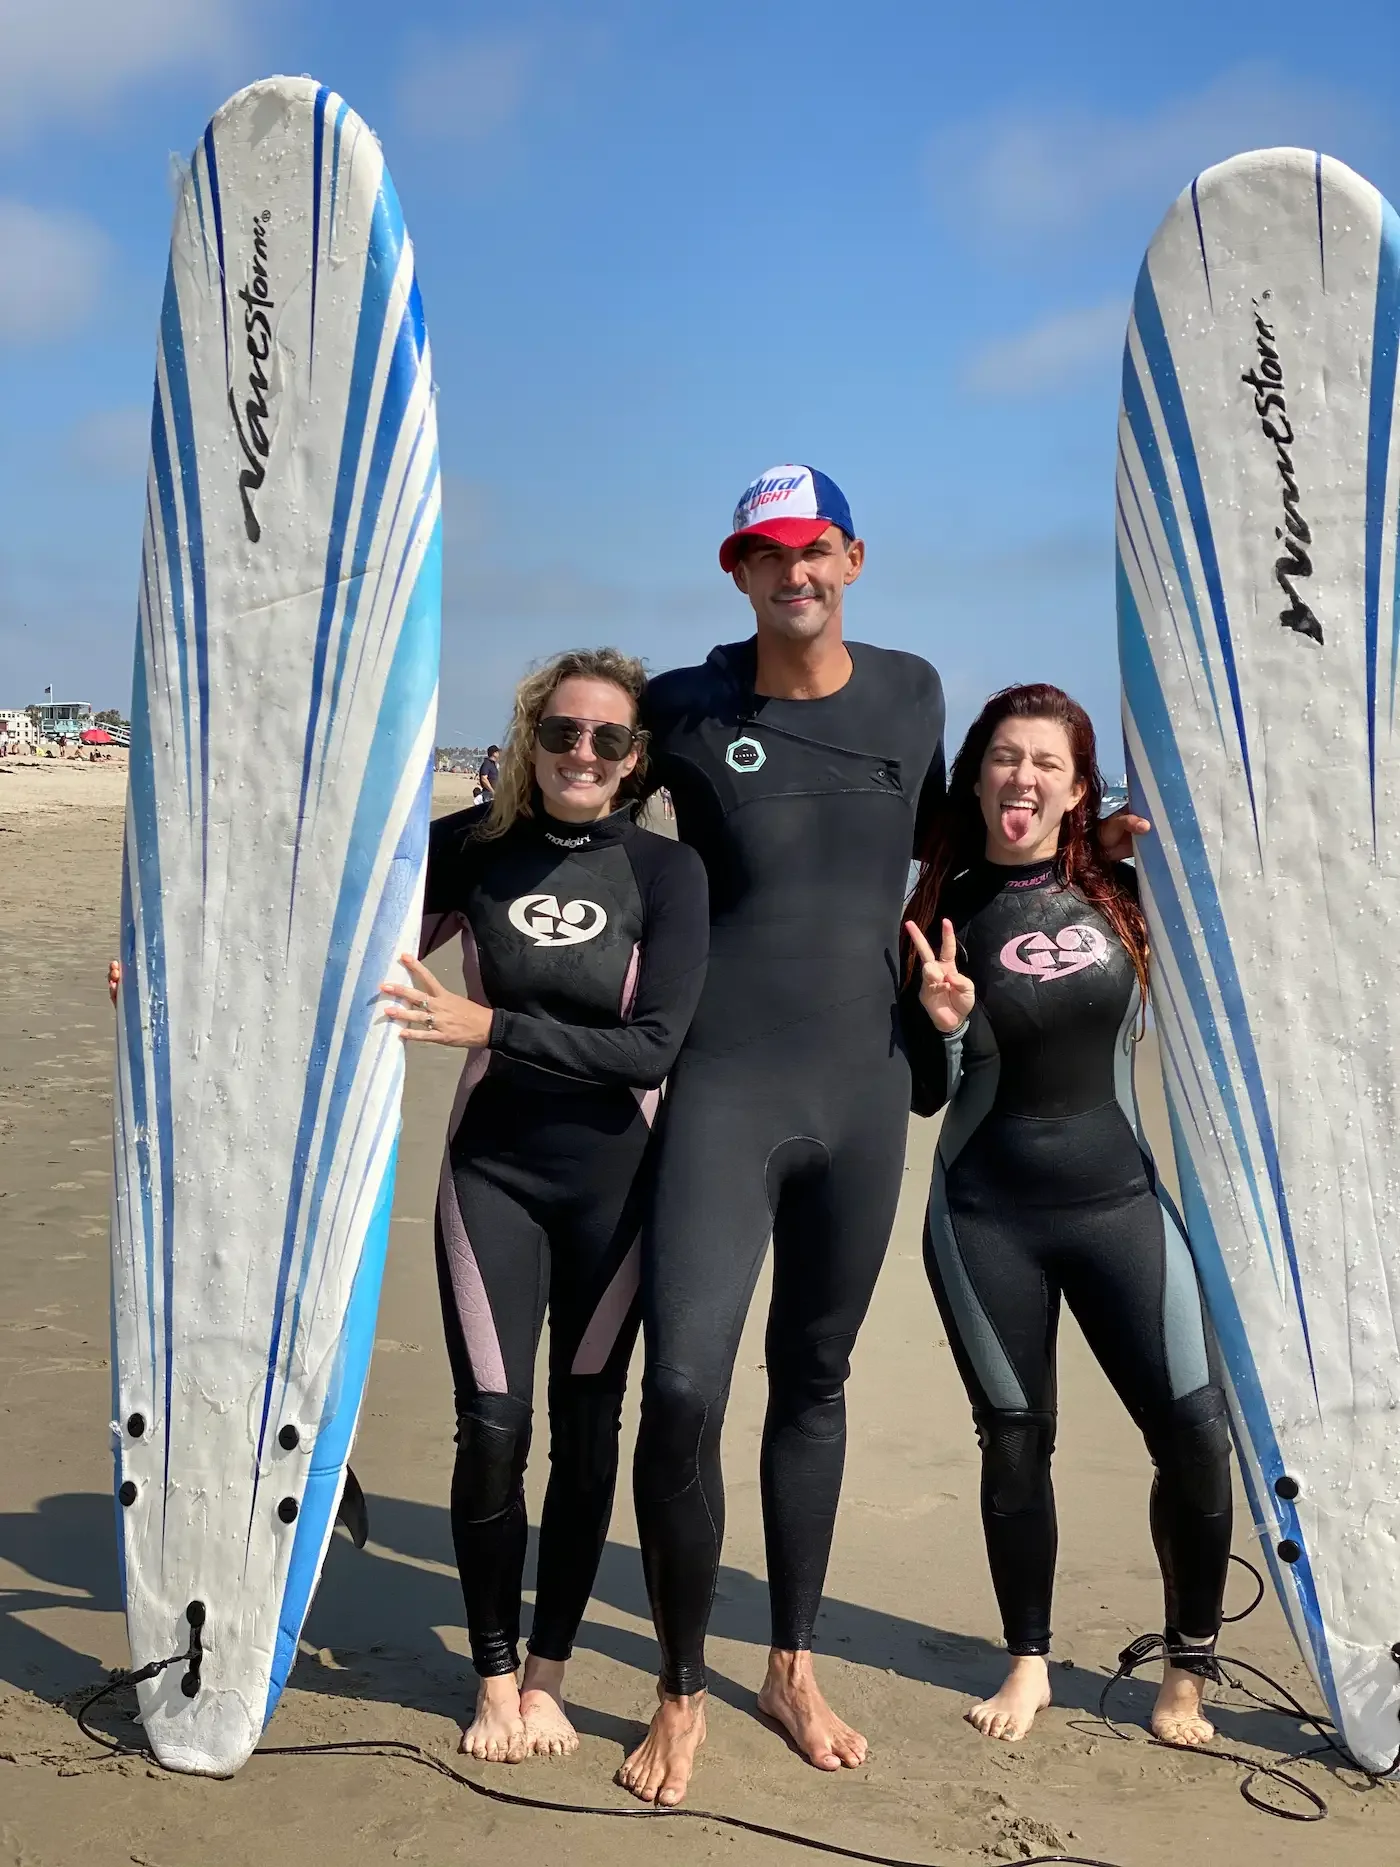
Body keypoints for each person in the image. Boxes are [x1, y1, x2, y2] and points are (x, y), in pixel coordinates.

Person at [615, 465, 947, 1806]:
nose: (794, 571)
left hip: (863, 1089)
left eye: (815, 548)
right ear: (735, 569)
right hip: (722, 1084)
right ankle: (681, 1684)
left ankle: (791, 1662)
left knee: (814, 1374)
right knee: (684, 1384)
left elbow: (969, 839)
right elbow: (553, 820)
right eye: (769, 553)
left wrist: (1098, 861)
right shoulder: (685, 706)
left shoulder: (916, 690)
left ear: (854, 557)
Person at [380, 648, 709, 1764]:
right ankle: (491, 1677)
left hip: (616, 1185)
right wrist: (169, 964)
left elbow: (651, 1046)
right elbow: (342, 947)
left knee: (584, 1431)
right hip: (492, 1177)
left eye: (606, 739)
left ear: (633, 761)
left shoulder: (667, 876)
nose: (581, 753)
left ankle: (550, 1671)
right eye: (561, 733)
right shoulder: (472, 853)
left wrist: (494, 1029)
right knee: (490, 1426)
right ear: (530, 742)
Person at [899, 683, 1231, 1749]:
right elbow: (921, 1090)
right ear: (978, 774)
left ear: (1077, 786)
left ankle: (1187, 1667)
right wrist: (944, 1025)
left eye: (1046, 762)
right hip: (982, 1214)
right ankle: (1028, 1659)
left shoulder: (1129, 897)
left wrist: (1157, 847)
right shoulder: (934, 913)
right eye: (1003, 756)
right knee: (1013, 1440)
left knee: (1190, 1430)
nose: (1021, 777)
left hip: (1121, 1203)